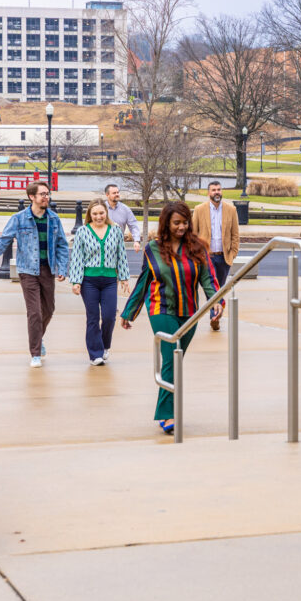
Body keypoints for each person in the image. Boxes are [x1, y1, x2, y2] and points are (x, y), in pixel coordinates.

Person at [121, 202, 223, 435]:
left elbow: (208, 278)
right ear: (167, 223)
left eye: (185, 222)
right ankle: (167, 414)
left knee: (175, 361)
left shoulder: (198, 248)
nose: (181, 227)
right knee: (170, 356)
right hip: (161, 309)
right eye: (177, 222)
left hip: (190, 312)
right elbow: (144, 281)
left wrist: (217, 300)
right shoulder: (153, 249)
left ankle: (164, 409)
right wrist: (130, 312)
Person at [0, 182, 69, 368]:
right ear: (32, 197)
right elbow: (2, 242)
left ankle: (37, 339)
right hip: (27, 271)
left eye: (47, 194)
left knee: (49, 310)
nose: (46, 197)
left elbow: (62, 246)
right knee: (34, 312)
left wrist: (62, 268)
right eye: (42, 194)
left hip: (48, 269)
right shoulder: (19, 219)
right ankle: (35, 354)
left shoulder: (54, 219)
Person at [68, 198, 131, 366]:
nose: (98, 217)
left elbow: (121, 255)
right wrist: (76, 281)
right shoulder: (82, 231)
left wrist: (124, 278)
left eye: (101, 213)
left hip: (110, 280)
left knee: (110, 316)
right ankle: (95, 354)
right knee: (93, 317)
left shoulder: (115, 231)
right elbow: (77, 258)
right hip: (89, 281)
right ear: (90, 214)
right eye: (94, 214)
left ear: (106, 213)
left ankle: (104, 346)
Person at [193, 180, 239, 331]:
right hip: (206, 257)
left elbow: (235, 235)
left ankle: (215, 313)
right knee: (211, 288)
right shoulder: (199, 210)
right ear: (208, 193)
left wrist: (232, 255)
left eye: (219, 189)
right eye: (213, 190)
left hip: (223, 258)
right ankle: (215, 316)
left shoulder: (231, 210)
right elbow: (193, 234)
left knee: (219, 289)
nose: (217, 192)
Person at [103, 183, 141, 252]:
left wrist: (136, 240)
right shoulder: (101, 208)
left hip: (119, 246)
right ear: (107, 195)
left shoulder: (125, 209)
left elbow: (133, 225)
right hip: (102, 245)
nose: (117, 194)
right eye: (114, 193)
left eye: (118, 192)